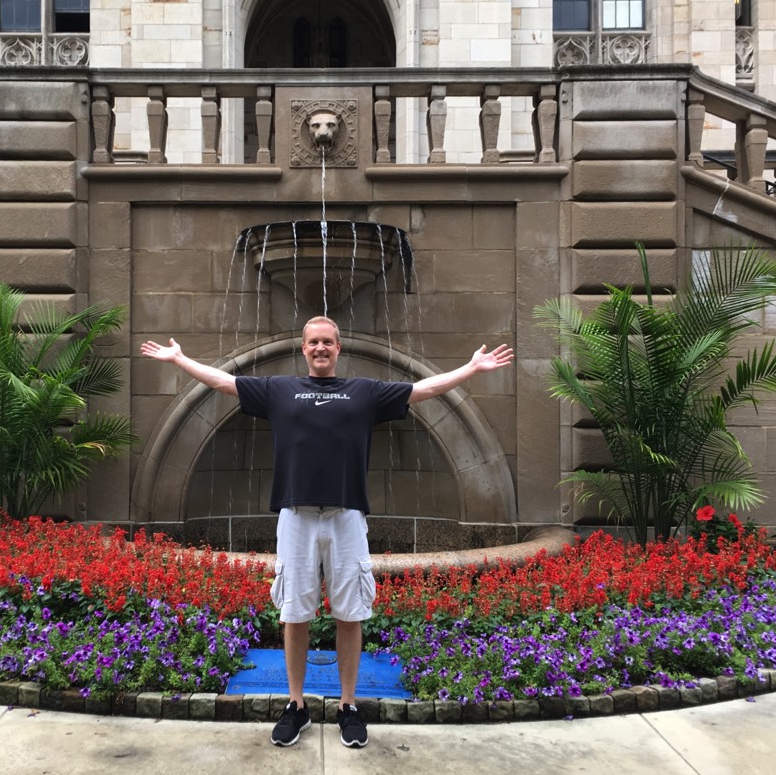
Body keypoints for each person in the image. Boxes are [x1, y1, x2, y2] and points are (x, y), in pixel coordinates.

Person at [140, 316, 514, 748]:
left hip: (346, 516)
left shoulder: (365, 392)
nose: (321, 347)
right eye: (314, 341)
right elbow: (225, 383)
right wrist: (181, 359)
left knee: (349, 613)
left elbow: (422, 391)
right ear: (304, 348)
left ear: (339, 349)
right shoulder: (279, 389)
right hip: (296, 517)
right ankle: (296, 705)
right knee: (294, 614)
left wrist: (470, 368)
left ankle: (348, 706)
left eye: (328, 342)